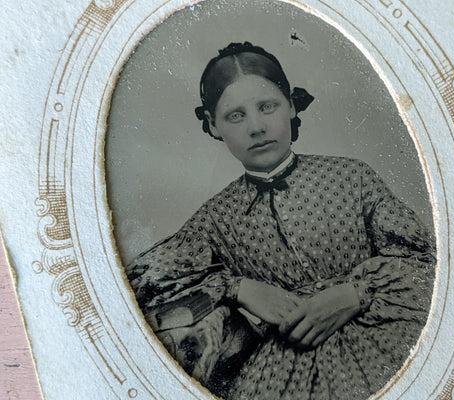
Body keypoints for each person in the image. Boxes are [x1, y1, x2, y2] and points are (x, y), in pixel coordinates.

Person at [126, 42, 436, 400]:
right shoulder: (215, 219)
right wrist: (238, 287)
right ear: (213, 126)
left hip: (388, 337)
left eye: (267, 106)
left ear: (290, 105)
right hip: (281, 375)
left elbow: (427, 263)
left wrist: (357, 292)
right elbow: (140, 282)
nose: (256, 127)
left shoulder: (352, 178)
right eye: (235, 115)